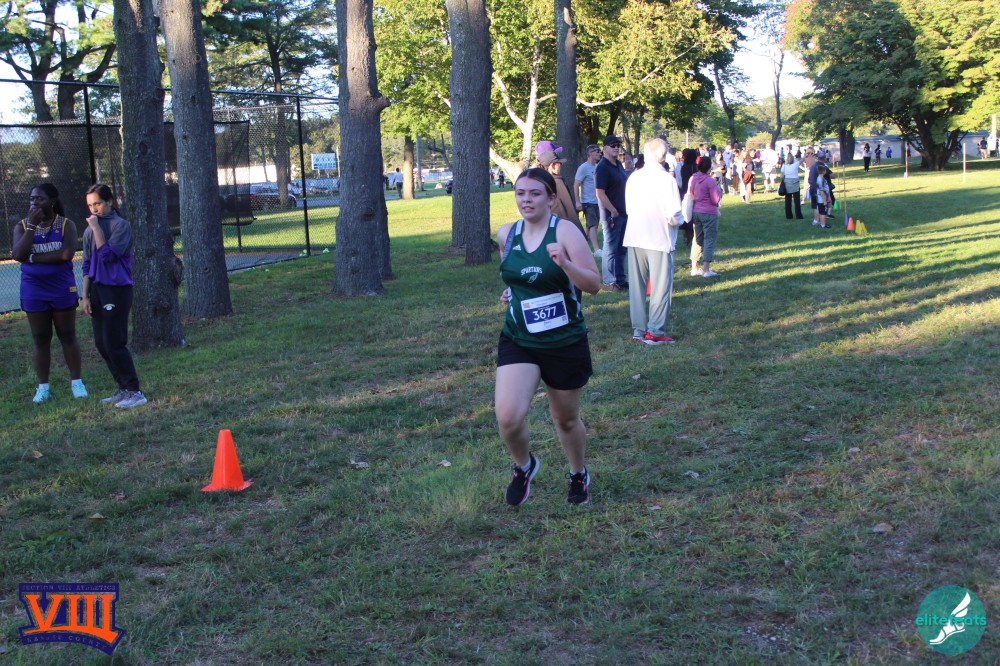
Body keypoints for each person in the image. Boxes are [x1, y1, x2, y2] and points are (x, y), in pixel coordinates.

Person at [496, 167, 601, 506]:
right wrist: (512, 291)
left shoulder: (565, 232)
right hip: (519, 338)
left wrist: (566, 265)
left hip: (563, 341)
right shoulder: (507, 234)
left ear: (551, 198)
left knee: (565, 419)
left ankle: (578, 473)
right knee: (508, 417)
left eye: (535, 194)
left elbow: (593, 284)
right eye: (520, 193)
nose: (526, 200)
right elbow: (514, 275)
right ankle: (524, 466)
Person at [12, 183, 87, 403]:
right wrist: (32, 227)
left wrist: (32, 258)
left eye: (40, 199)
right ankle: (43, 388)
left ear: (52, 201)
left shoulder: (66, 225)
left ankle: (77, 383)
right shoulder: (22, 226)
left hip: (61, 287)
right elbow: (17, 254)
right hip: (33, 289)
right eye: (32, 199)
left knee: (67, 335)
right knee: (40, 338)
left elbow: (65, 254)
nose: (34, 203)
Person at [81, 184, 147, 409]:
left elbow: (108, 256)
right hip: (97, 290)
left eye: (98, 203)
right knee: (101, 343)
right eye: (90, 205)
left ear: (109, 201)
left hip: (117, 289)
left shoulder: (121, 226)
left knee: (114, 341)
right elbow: (88, 264)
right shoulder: (89, 231)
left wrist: (96, 228)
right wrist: (85, 295)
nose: (94, 209)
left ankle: (135, 391)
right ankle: (123, 387)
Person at [623, 139, 682, 345]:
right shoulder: (666, 180)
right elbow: (673, 214)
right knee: (660, 287)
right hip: (658, 237)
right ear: (664, 156)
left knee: (636, 287)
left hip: (635, 235)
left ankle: (638, 329)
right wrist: (681, 220)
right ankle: (655, 331)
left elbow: (629, 208)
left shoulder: (634, 177)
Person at [595, 135, 629, 292]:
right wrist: (612, 210)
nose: (616, 147)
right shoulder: (602, 167)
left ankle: (620, 279)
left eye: (618, 145)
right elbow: (599, 192)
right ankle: (609, 282)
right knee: (610, 248)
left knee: (622, 248)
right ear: (605, 148)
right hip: (611, 215)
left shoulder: (618, 164)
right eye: (613, 145)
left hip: (623, 212)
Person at [536, 149, 585, 239]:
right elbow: (568, 209)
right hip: (561, 227)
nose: (561, 166)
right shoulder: (557, 181)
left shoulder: (538, 181)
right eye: (559, 163)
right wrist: (577, 232)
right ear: (553, 165)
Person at [689, 155, 722, 278]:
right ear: (709, 167)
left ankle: (694, 267)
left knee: (697, 239)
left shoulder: (694, 178)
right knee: (709, 239)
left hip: (696, 211)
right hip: (709, 213)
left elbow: (691, 192)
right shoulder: (710, 181)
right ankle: (706, 269)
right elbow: (715, 199)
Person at [574, 144, 603, 255]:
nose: (600, 153)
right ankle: (596, 250)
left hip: (597, 201)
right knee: (593, 225)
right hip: (587, 202)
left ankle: (583, 247)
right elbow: (576, 184)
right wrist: (577, 201)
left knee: (590, 227)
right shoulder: (583, 168)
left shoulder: (598, 166)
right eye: (597, 151)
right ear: (590, 153)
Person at [780, 153, 804, 220]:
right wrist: (805, 156)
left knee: (788, 200)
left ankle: (789, 215)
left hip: (787, 182)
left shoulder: (784, 166)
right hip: (795, 183)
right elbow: (801, 160)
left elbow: (781, 176)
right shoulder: (795, 164)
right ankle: (798, 215)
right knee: (797, 200)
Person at [813, 164, 832, 229]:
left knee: (822, 212)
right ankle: (823, 225)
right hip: (821, 199)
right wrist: (824, 200)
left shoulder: (822, 178)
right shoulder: (820, 179)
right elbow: (821, 191)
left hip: (823, 198)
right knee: (823, 212)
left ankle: (822, 223)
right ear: (823, 171)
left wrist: (828, 197)